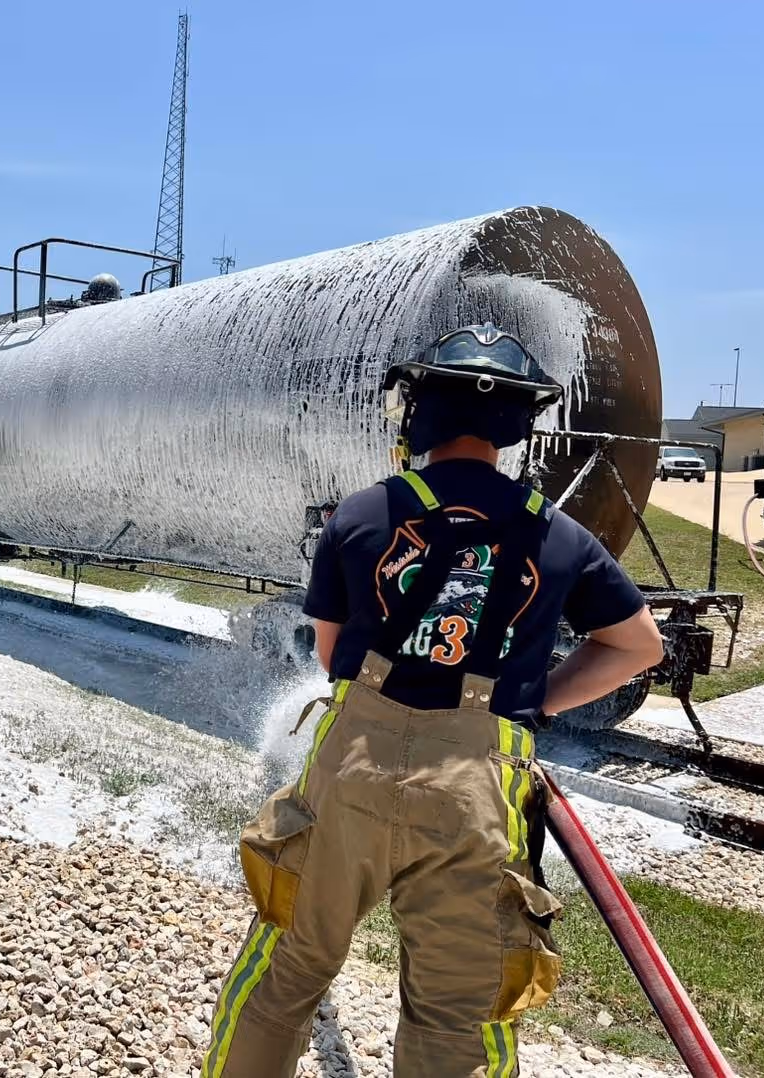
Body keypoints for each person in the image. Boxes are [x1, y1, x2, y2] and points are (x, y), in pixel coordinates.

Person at [202, 323, 666, 1078]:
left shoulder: (361, 514)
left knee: (289, 970)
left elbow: (329, 656)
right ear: (518, 426)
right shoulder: (560, 536)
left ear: (418, 412)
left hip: (354, 764)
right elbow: (638, 646)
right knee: (457, 1014)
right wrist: (537, 700)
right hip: (476, 788)